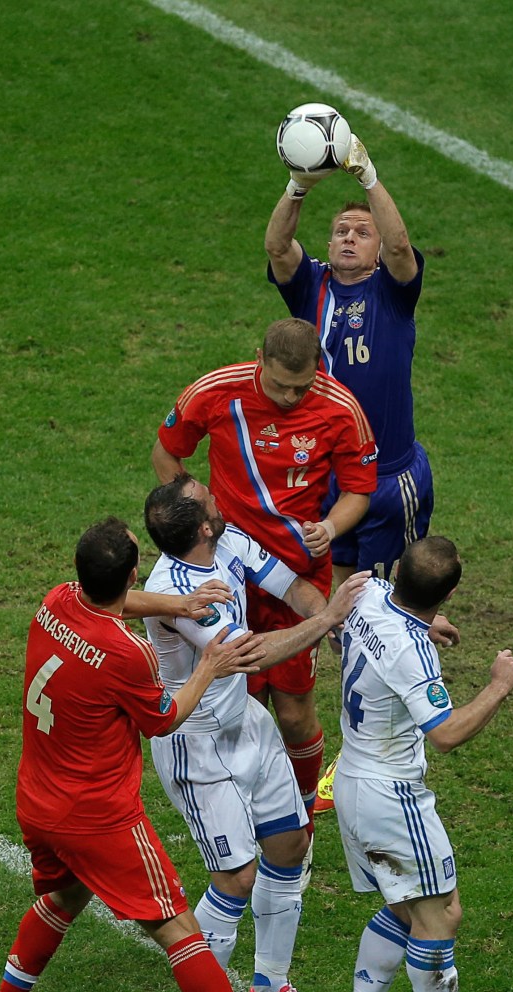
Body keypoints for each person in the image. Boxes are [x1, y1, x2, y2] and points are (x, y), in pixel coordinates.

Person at [0, 516, 307, 992]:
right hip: (98, 816)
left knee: (65, 895)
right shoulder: (127, 653)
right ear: (130, 575)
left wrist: (181, 600)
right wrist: (208, 667)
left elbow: (118, 602)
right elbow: (163, 720)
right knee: (178, 926)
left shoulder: (55, 601)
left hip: (38, 800)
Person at [129, 475, 369, 992]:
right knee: (236, 876)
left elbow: (291, 588)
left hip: (247, 723)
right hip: (198, 742)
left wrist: (340, 619)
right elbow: (251, 656)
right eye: (203, 492)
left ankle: (270, 989)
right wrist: (328, 620)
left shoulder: (229, 540)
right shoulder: (178, 592)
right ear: (203, 525)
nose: (213, 489)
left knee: (290, 843)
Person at [265, 130, 434, 813]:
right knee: (336, 601)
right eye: (341, 230)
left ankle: (398, 725)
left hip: (391, 480)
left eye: (359, 231)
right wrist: (298, 185)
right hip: (327, 480)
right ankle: (345, 724)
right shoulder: (312, 288)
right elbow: (278, 247)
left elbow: (399, 246)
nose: (349, 238)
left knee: (392, 610)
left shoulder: (396, 290)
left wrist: (367, 177)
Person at [151, 318, 377, 830]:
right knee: (239, 702)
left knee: (295, 713)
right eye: (279, 385)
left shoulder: (341, 408)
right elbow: (167, 452)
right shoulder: (215, 392)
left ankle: (297, 811)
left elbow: (359, 490)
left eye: (301, 386)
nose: (291, 397)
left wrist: (329, 526)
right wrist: (197, 523)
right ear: (259, 359)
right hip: (231, 574)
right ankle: (240, 806)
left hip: (297, 575)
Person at [325, 536, 513, 992]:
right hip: (392, 795)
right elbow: (445, 733)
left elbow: (365, 631)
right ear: (451, 591)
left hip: (351, 780)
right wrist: (498, 686)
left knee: (403, 909)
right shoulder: (415, 654)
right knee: (442, 915)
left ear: (398, 572)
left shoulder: (368, 591)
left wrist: (422, 626)